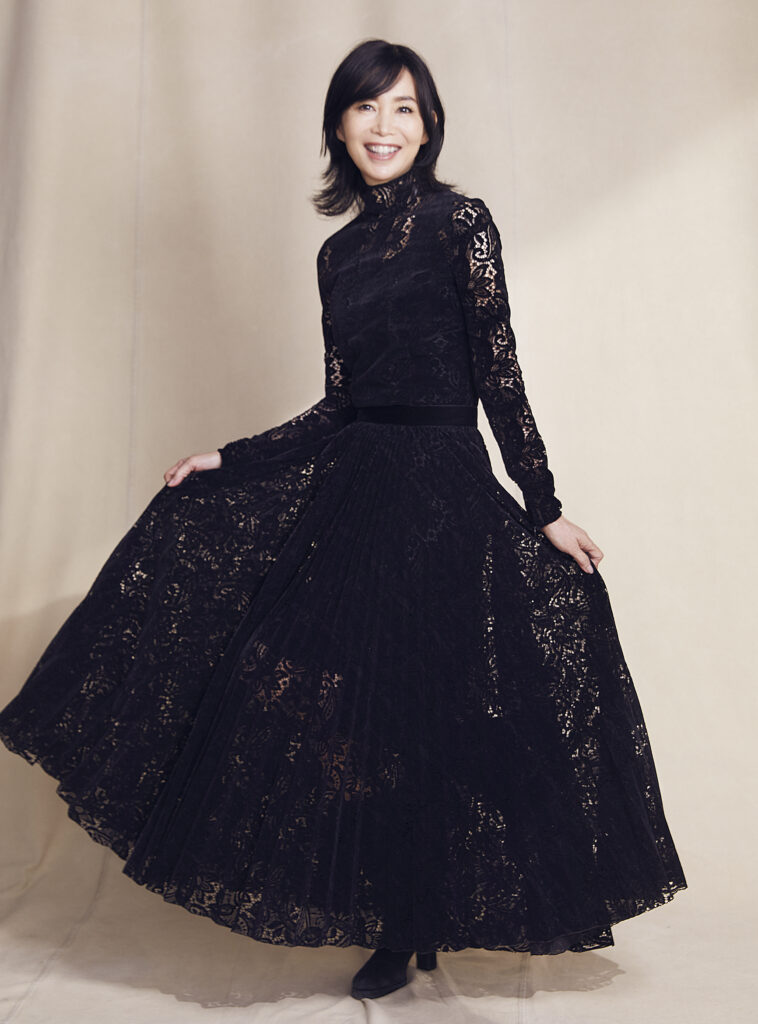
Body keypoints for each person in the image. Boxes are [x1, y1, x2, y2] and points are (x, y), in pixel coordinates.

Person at [0, 39, 687, 1002]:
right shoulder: (338, 255)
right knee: (348, 711)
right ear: (338, 125)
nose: (384, 125)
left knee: (443, 711)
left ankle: (416, 924)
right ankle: (395, 917)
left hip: (445, 495)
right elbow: (339, 404)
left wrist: (544, 508)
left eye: (404, 108)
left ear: (430, 126)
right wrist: (229, 459)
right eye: (367, 107)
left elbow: (501, 374)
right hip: (358, 492)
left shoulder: (460, 223)